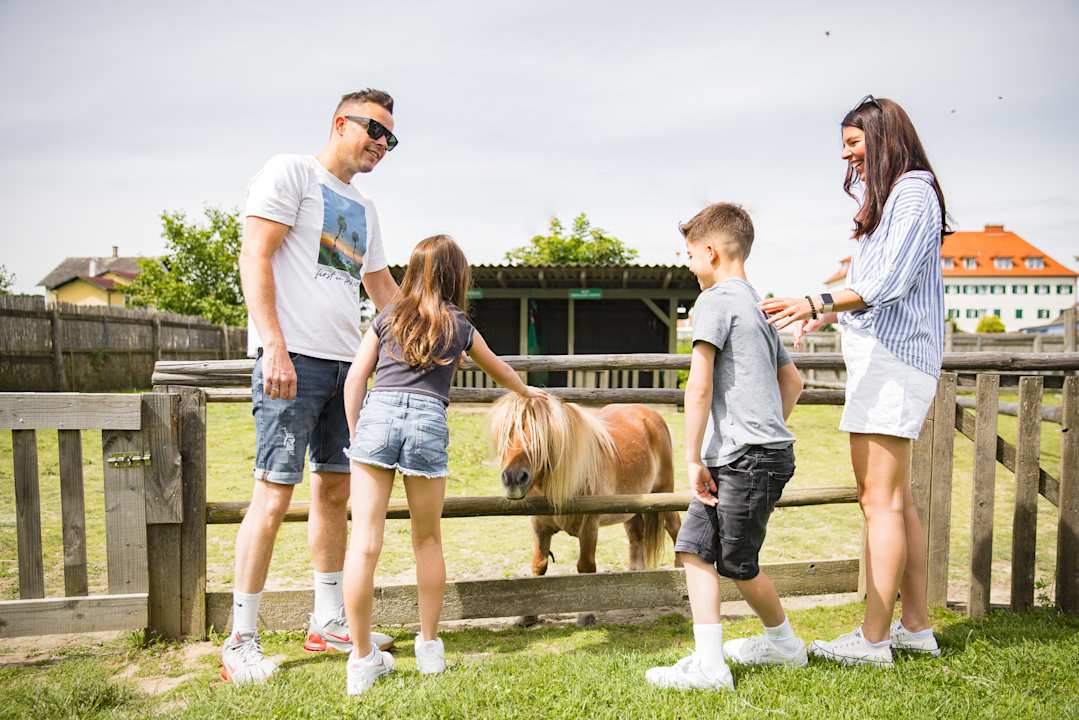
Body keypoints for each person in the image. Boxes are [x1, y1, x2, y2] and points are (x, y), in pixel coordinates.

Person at [222, 89, 402, 684]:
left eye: (390, 138)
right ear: (340, 123)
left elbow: (382, 290)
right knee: (273, 494)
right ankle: (240, 639)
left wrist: (433, 333)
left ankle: (328, 621)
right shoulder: (291, 173)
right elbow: (255, 254)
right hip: (291, 360)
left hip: (346, 368)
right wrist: (272, 345)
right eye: (374, 130)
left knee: (333, 493)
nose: (381, 144)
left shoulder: (365, 209)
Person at [760, 95, 947, 666]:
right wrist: (825, 314)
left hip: (895, 364)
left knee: (879, 501)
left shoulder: (913, 191)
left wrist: (815, 299)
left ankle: (872, 641)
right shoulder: (892, 199)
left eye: (853, 143)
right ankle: (915, 628)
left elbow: (887, 282)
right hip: (883, 361)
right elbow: (871, 288)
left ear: (884, 137)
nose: (846, 157)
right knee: (896, 500)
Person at [341, 234, 545, 695]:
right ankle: (429, 648)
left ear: (413, 271)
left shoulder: (387, 317)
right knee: (428, 539)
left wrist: (356, 434)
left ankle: (361, 660)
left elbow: (355, 379)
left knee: (364, 544)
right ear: (457, 276)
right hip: (427, 422)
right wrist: (526, 392)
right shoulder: (459, 325)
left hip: (378, 416)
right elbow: (499, 369)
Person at [646, 203, 805, 691]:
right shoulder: (758, 304)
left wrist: (692, 456)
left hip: (741, 459)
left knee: (738, 563)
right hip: (746, 454)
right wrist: (765, 426)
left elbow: (699, 386)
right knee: (694, 548)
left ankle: (781, 647)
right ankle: (711, 662)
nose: (690, 264)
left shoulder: (714, 301)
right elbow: (793, 382)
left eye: (691, 255)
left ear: (711, 252)